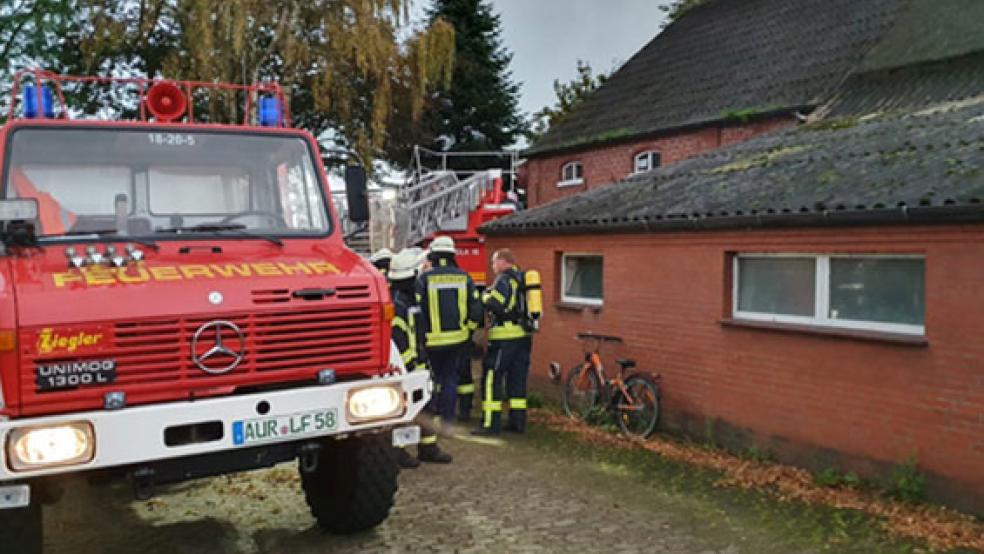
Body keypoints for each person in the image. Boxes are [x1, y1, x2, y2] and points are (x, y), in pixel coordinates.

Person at [388, 249, 453, 466]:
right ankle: (398, 451)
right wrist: (411, 366)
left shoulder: (408, 298)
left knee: (428, 406)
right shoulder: (397, 304)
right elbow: (399, 341)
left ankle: (428, 447)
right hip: (407, 368)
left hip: (419, 364)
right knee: (405, 411)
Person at [417, 236, 483, 431]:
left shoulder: (424, 279)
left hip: (431, 341)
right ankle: (448, 419)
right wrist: (469, 329)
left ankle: (433, 415)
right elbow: (477, 308)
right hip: (458, 340)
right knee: (450, 379)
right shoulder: (464, 277)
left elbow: (417, 309)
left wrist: (421, 335)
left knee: (433, 379)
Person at [473, 249, 532, 435]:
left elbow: (497, 304)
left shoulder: (504, 279)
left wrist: (483, 296)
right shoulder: (521, 278)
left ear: (503, 261)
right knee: (517, 379)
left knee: (492, 378)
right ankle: (517, 422)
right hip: (523, 336)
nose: (492, 267)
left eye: (493, 262)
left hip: (504, 338)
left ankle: (491, 424)